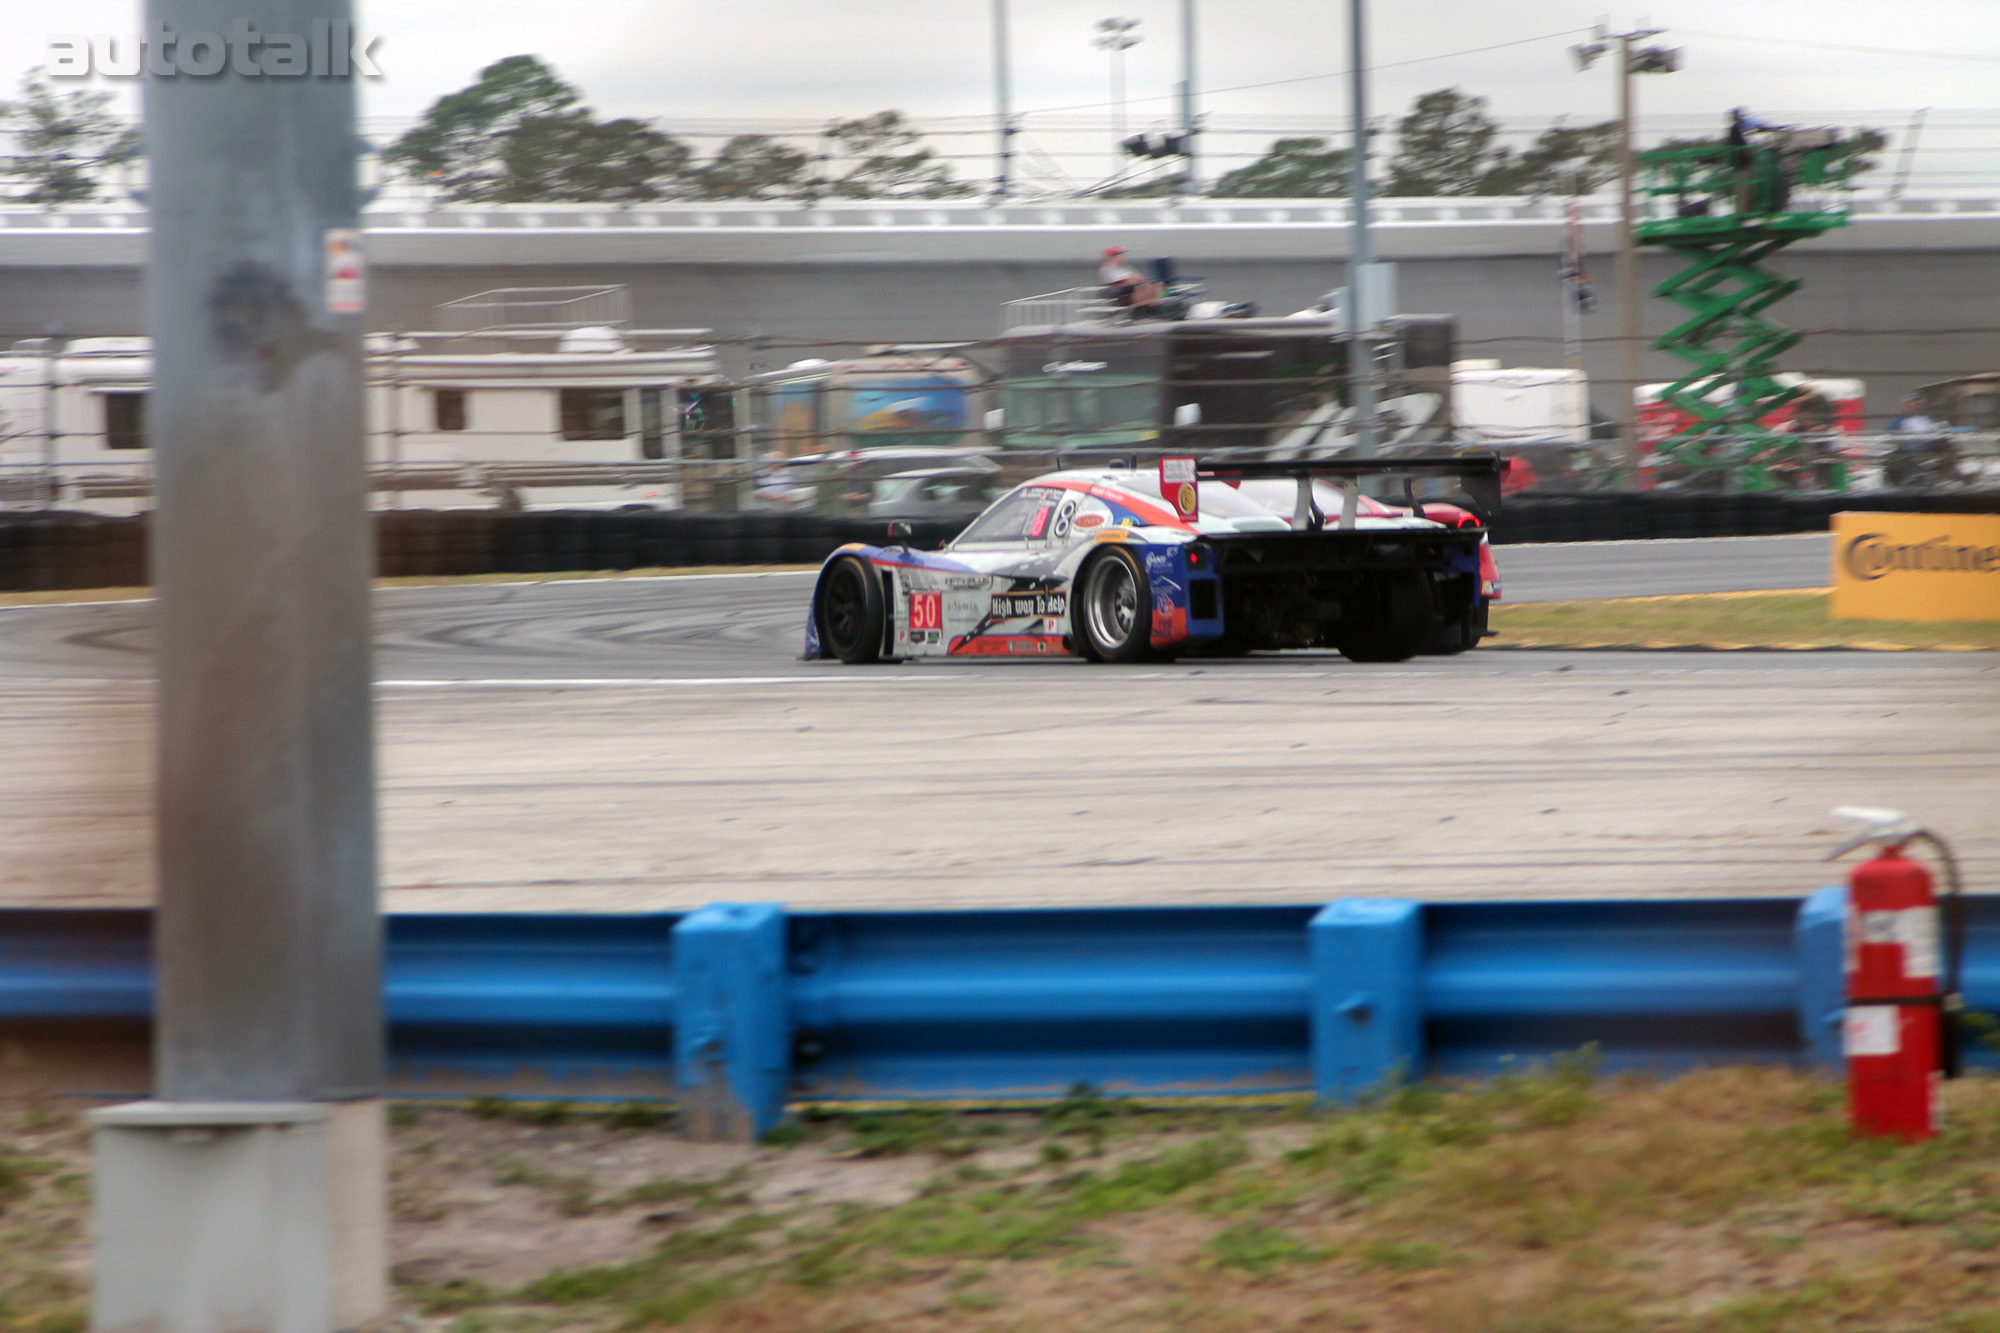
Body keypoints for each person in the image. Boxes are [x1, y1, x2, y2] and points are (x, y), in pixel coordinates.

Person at [1096, 245, 1160, 315]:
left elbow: (1137, 277)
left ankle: (1152, 305)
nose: (1123, 257)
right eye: (1120, 255)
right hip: (1116, 290)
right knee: (1140, 287)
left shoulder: (1124, 267)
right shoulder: (1106, 269)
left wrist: (1134, 279)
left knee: (1153, 285)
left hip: (1128, 286)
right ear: (1113, 257)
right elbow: (1119, 281)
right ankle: (1141, 308)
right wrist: (1132, 279)